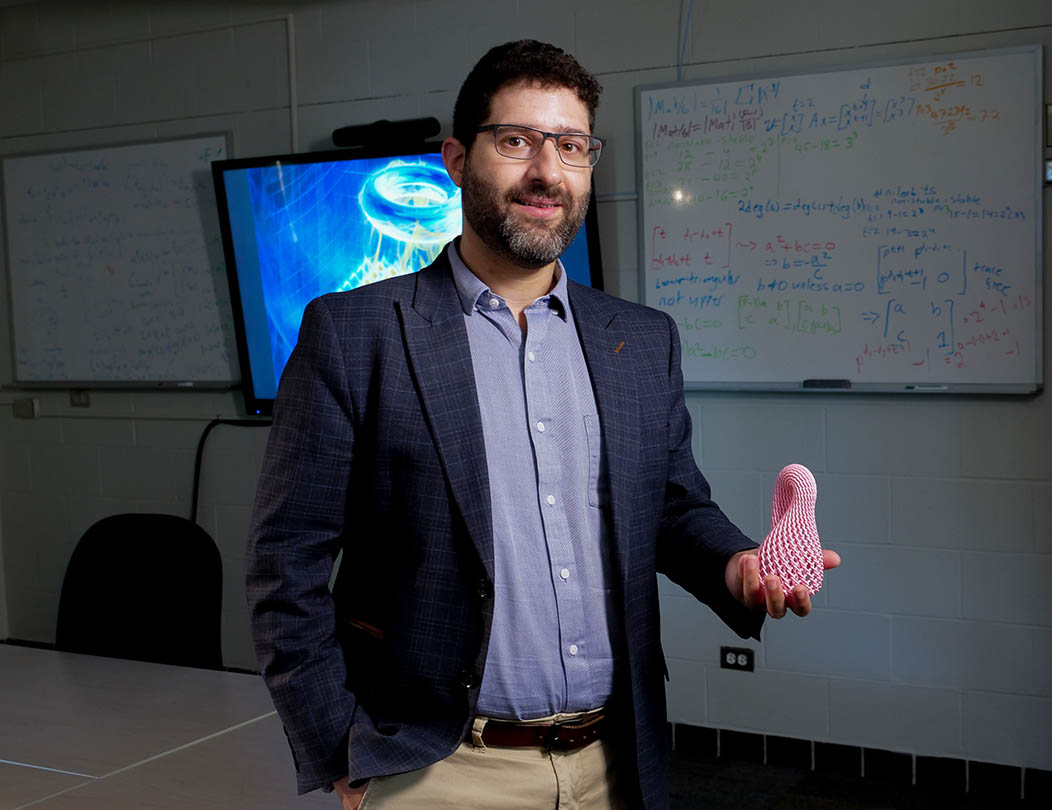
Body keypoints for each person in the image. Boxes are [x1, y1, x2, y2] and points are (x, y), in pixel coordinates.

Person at [247, 39, 839, 810]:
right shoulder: (354, 333)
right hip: (439, 770)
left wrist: (738, 569)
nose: (546, 172)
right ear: (458, 159)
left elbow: (671, 505)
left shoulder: (640, 338)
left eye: (571, 146)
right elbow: (285, 564)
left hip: (614, 760)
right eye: (516, 141)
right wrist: (341, 751)